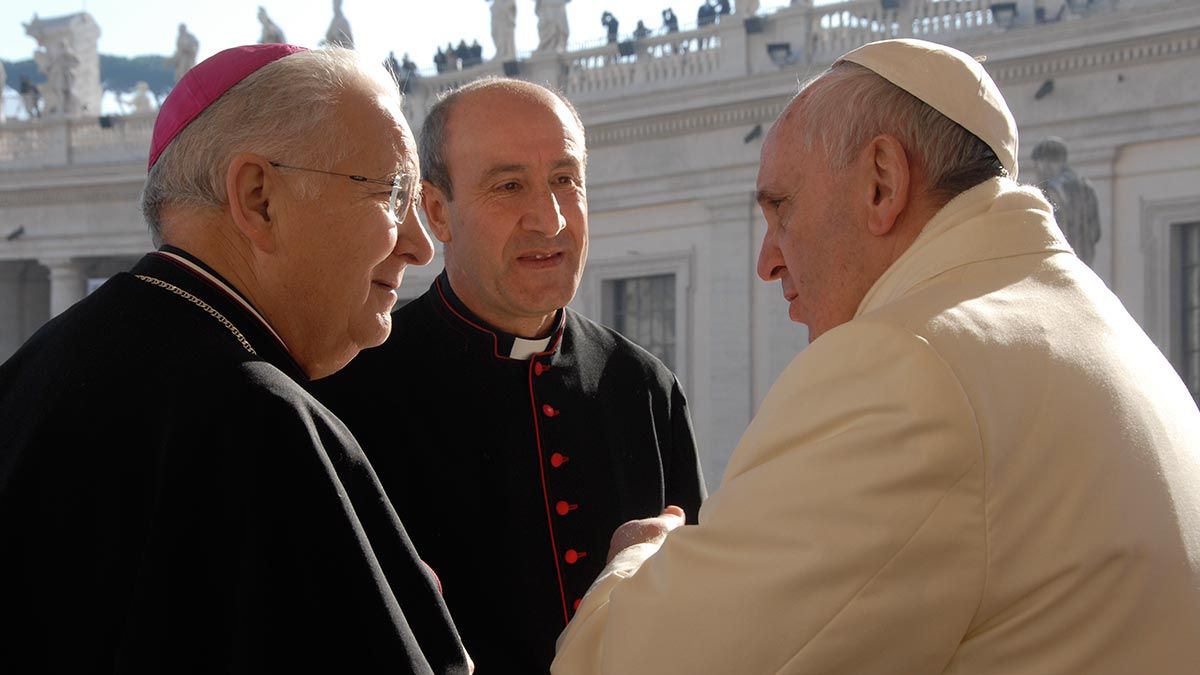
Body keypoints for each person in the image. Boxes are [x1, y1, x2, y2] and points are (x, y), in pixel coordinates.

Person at [553, 38, 1200, 673]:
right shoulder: (1097, 324)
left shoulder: (904, 366)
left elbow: (632, 662)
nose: (767, 260)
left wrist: (640, 560)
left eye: (782, 208)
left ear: (882, 183)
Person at [0, 44, 471, 673]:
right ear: (258, 198)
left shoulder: (34, 369)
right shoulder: (259, 419)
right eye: (391, 195)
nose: (421, 246)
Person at [311, 77, 706, 674]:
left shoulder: (646, 388)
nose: (548, 219)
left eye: (566, 181)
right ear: (438, 211)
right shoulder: (349, 388)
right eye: (509, 185)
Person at [1032, 136, 1101, 266]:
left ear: (1046, 162)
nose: (1037, 171)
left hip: (1061, 264)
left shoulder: (1052, 190)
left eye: (1037, 165)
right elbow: (1096, 232)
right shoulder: (1086, 186)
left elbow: (1049, 233)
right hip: (1085, 264)